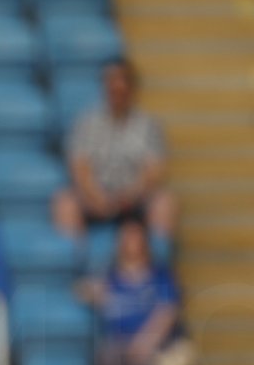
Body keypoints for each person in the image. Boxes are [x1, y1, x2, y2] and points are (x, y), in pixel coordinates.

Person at [52, 59, 177, 244]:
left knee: (165, 202)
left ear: (132, 87)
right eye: (112, 81)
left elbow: (153, 171)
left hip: (135, 201)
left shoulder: (149, 126)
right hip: (95, 199)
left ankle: (156, 266)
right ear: (104, 86)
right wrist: (97, 198)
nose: (118, 87)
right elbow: (79, 167)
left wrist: (131, 196)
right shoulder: (86, 124)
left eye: (123, 81)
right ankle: (73, 263)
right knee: (65, 202)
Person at [76, 216, 183, 365]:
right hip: (118, 343)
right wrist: (92, 291)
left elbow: (167, 311)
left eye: (135, 236)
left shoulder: (159, 275)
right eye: (126, 236)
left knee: (142, 362)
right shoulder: (110, 277)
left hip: (152, 343)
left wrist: (145, 342)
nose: (131, 242)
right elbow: (83, 290)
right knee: (109, 357)